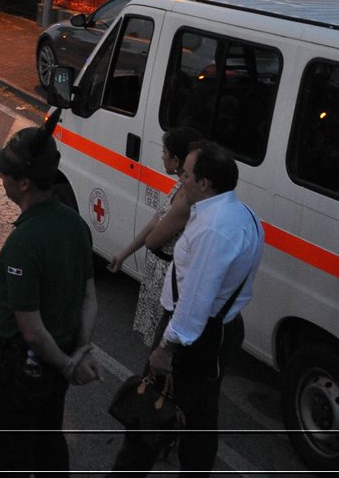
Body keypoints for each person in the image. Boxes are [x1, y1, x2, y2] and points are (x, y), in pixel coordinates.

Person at [111, 141, 263, 478]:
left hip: (193, 334)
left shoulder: (212, 228)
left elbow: (195, 297)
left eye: (186, 174)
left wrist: (167, 348)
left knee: (151, 408)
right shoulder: (243, 215)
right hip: (222, 328)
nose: (181, 179)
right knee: (202, 417)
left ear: (205, 183)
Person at [0, 122, 100, 477]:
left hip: (20, 369)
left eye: (6, 172)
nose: (0, 176)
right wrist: (79, 351)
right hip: (57, 361)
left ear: (24, 183)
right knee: (48, 442)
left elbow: (31, 329)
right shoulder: (75, 225)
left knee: (9, 457)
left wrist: (67, 364)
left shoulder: (24, 242)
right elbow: (89, 297)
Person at [107, 126, 202, 346]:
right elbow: (155, 221)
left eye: (164, 152)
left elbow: (153, 240)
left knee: (159, 344)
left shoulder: (186, 198)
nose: (161, 156)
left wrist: (156, 229)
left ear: (176, 160)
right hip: (158, 273)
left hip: (166, 277)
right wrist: (124, 254)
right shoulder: (181, 185)